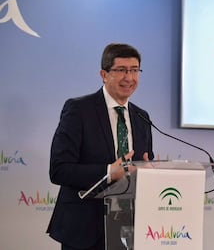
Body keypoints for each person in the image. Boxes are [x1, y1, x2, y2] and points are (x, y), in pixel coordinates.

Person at [47, 43, 154, 250]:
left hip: (128, 228)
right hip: (84, 229)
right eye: (121, 70)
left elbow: (141, 163)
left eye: (134, 70)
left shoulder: (142, 117)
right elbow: (59, 170)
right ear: (104, 74)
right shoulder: (78, 110)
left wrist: (148, 172)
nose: (129, 78)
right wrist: (108, 172)